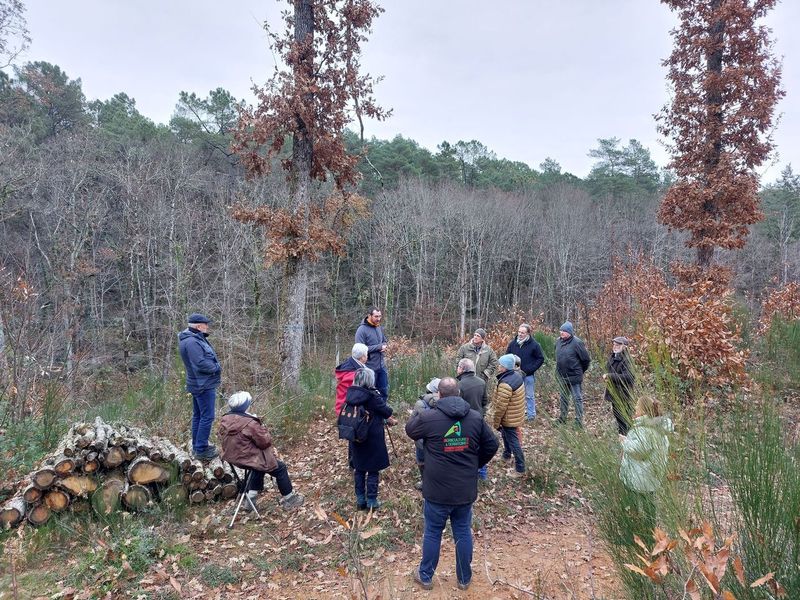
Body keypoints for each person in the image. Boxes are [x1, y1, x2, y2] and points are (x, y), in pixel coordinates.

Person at [406, 377, 499, 591]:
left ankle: (426, 575)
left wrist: (424, 408)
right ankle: (464, 579)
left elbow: (410, 429)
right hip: (464, 490)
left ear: (439, 395)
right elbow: (492, 444)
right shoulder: (475, 418)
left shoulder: (429, 417)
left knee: (433, 532)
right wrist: (475, 464)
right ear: (459, 394)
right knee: (463, 531)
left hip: (437, 490)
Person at [218, 391, 305, 510]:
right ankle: (290, 498)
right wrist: (261, 427)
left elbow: (221, 437)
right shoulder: (250, 423)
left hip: (231, 457)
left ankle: (251, 499)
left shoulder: (225, 419)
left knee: (259, 465)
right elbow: (265, 442)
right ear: (246, 406)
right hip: (247, 458)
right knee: (279, 468)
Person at [619, 397, 673, 539]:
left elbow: (638, 450)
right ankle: (650, 533)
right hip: (651, 474)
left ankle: (632, 535)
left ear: (643, 411)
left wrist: (625, 441)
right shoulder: (659, 428)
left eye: (637, 407)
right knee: (649, 503)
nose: (634, 409)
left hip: (639, 476)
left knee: (632, 505)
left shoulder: (645, 429)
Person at [345, 367, 396, 510]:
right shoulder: (373, 396)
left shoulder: (351, 393)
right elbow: (387, 411)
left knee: (359, 468)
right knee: (373, 469)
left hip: (356, 436)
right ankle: (372, 501)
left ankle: (360, 499)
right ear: (370, 380)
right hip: (373, 436)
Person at [178, 313, 222, 460]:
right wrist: (216, 367)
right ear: (198, 326)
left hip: (199, 383)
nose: (207, 326)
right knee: (207, 416)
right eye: (205, 324)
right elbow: (200, 363)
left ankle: (198, 445)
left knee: (198, 416)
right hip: (203, 384)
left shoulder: (192, 339)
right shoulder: (192, 342)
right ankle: (201, 449)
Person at [492, 354, 526, 478]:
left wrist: (496, 422)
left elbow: (500, 407)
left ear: (505, 367)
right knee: (505, 435)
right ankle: (506, 456)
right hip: (515, 414)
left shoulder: (505, 384)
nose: (498, 367)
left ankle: (520, 468)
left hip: (509, 417)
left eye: (500, 365)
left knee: (514, 441)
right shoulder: (516, 375)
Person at [555, 321, 591, 428]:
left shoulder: (577, 343)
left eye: (564, 331)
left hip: (575, 376)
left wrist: (579, 371)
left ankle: (578, 421)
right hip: (562, 376)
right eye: (561, 330)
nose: (561, 332)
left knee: (577, 399)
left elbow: (586, 360)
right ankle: (562, 418)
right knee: (563, 398)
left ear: (569, 332)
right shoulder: (558, 341)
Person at [506, 323, 544, 421]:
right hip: (514, 375)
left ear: (528, 334)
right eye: (519, 332)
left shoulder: (534, 345)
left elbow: (540, 359)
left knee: (529, 396)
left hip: (528, 375)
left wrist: (529, 369)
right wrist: (510, 369)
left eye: (523, 332)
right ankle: (517, 415)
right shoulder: (513, 343)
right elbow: (507, 357)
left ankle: (531, 416)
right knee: (515, 396)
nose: (520, 334)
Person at [603, 336, 636, 436]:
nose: (615, 346)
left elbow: (629, 377)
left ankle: (630, 440)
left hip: (623, 395)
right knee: (618, 418)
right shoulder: (613, 357)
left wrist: (610, 376)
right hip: (614, 394)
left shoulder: (627, 360)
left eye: (618, 345)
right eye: (614, 344)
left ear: (624, 347)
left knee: (625, 419)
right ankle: (622, 438)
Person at [355, 308, 390, 400]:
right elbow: (359, 349)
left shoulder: (378, 327)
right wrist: (379, 347)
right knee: (370, 394)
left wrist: (385, 346)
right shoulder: (361, 330)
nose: (378, 319)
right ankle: (370, 414)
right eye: (376, 316)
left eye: (380, 316)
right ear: (369, 316)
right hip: (369, 368)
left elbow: (385, 341)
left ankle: (383, 412)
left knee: (384, 392)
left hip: (381, 366)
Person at [412, 378, 440, 491]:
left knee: (421, 460)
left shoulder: (420, 403)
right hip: (439, 440)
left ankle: (425, 482)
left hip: (422, 440)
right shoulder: (446, 403)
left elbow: (412, 423)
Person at [334, 343, 369, 413]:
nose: (368, 356)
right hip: (346, 412)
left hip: (343, 407)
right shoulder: (352, 375)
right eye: (366, 354)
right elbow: (359, 396)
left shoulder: (349, 364)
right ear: (362, 357)